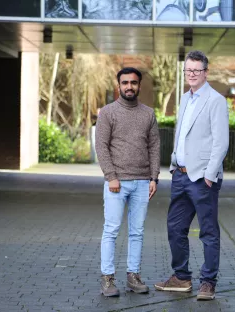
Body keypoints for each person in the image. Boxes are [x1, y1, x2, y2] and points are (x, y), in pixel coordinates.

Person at [154, 51, 229, 300]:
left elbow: (221, 142)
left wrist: (210, 175)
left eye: (197, 70)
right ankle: (181, 277)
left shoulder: (216, 100)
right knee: (175, 227)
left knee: (208, 231)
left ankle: (208, 282)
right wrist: (175, 165)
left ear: (206, 72)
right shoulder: (185, 98)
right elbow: (183, 134)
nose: (192, 74)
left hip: (203, 179)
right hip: (181, 176)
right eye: (188, 70)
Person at [95, 67, 160, 297]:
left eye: (133, 82)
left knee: (137, 232)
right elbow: (101, 146)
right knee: (111, 230)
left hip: (142, 183)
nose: (129, 86)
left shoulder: (148, 114)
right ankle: (107, 279)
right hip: (116, 183)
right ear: (119, 85)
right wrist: (111, 176)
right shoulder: (108, 113)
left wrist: (154, 177)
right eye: (125, 83)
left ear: (139, 85)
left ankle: (133, 276)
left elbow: (154, 147)